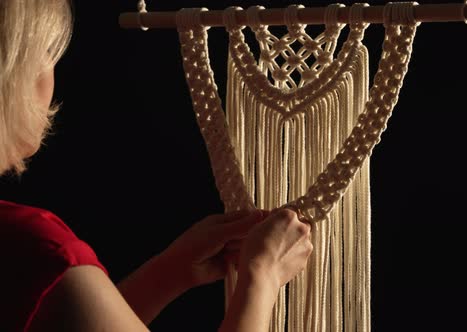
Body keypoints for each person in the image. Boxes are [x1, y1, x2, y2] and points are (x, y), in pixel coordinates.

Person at [0, 1, 314, 331]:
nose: (53, 72)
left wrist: (169, 272)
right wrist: (262, 277)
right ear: (11, 73)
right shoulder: (38, 249)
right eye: (47, 53)